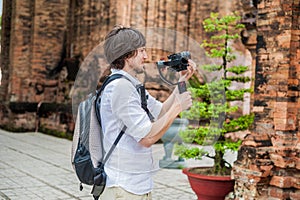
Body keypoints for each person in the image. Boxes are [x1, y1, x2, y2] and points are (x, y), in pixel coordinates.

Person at [100, 25, 196, 200]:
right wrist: (177, 108)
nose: (146, 56)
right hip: (124, 188)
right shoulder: (120, 88)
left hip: (136, 185)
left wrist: (182, 81)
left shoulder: (130, 84)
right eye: (141, 51)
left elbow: (160, 112)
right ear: (127, 54)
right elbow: (146, 139)